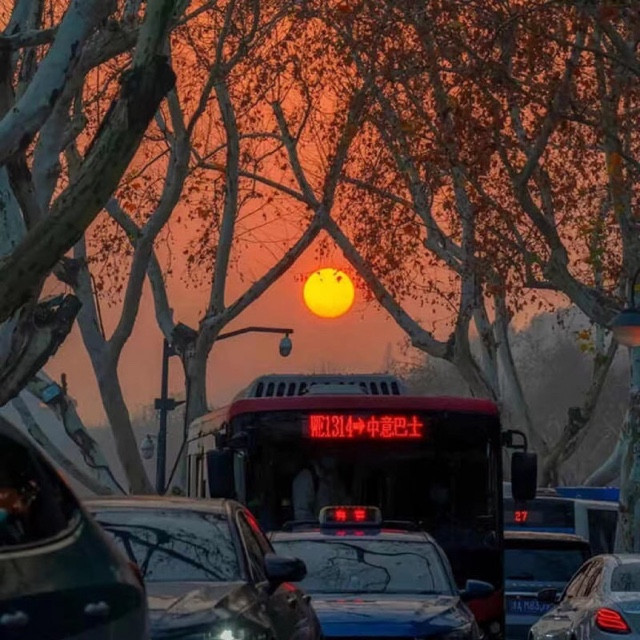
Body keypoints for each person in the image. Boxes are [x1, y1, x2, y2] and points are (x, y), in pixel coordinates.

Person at [292, 456, 349, 521]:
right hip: (314, 526)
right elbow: (301, 514)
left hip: (335, 525)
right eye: (329, 453)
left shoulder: (335, 478)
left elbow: (343, 504)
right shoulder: (305, 478)